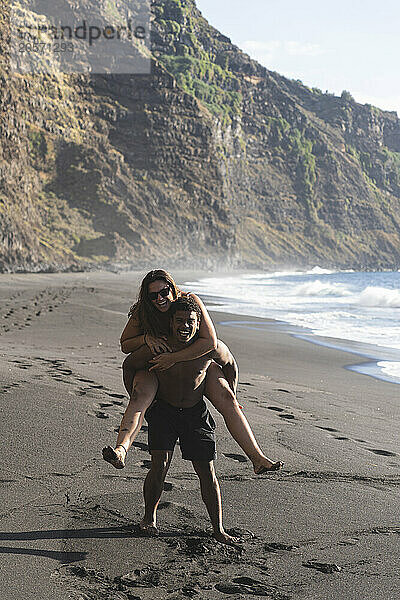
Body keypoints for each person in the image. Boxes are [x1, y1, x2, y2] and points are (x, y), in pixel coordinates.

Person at [102, 269, 282, 474]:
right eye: (153, 295)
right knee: (139, 397)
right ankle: (121, 450)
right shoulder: (144, 311)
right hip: (157, 366)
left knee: (227, 397)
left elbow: (211, 343)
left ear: (173, 287)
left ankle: (258, 459)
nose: (159, 299)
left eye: (164, 292)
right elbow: (125, 346)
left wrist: (232, 391)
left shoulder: (190, 301)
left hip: (196, 362)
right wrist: (145, 339)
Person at [130, 296, 244, 546]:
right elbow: (129, 363)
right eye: (179, 320)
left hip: (195, 412)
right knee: (159, 465)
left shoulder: (208, 347)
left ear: (198, 323)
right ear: (171, 323)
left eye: (190, 322)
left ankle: (218, 528)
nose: (184, 326)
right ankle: (149, 519)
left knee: (207, 470)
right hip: (164, 411)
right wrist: (137, 395)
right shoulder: (160, 346)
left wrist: (231, 393)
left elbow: (231, 364)